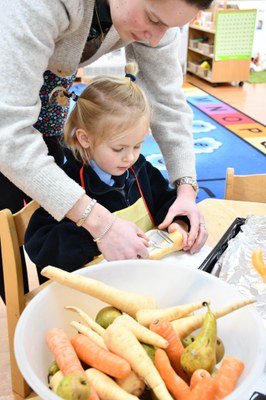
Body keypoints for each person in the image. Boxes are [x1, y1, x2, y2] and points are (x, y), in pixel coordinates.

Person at [0, 0, 211, 299]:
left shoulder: (160, 18)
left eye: (169, 28)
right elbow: (7, 135)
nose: (155, 38)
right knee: (9, 219)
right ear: (85, 138)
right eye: (152, 19)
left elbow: (168, 104)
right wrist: (100, 226)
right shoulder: (38, 6)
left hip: (43, 101)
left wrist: (186, 191)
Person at [25, 63, 197, 276]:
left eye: (137, 145)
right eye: (118, 148)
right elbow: (40, 247)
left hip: (140, 276)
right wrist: (98, 236)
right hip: (91, 287)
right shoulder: (64, 183)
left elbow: (167, 202)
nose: (130, 157)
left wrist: (179, 223)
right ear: (85, 138)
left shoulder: (139, 168)